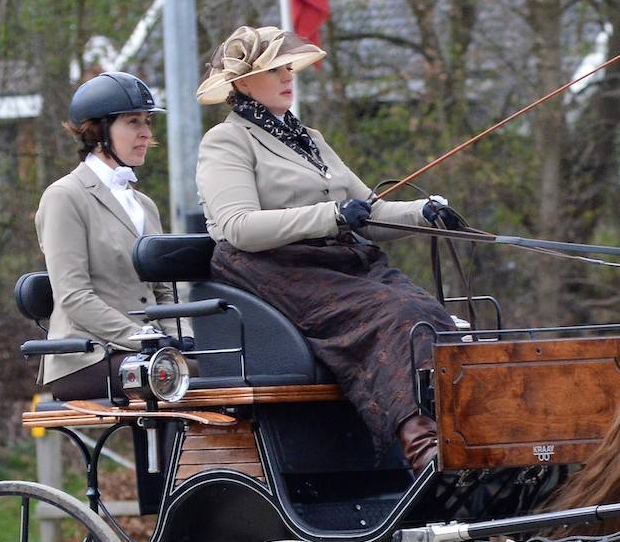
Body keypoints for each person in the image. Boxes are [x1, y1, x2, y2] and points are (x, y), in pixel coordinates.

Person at [194, 25, 465, 474]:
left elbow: (370, 212)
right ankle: (422, 446)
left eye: (289, 68)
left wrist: (425, 212)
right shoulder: (226, 141)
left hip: (339, 261)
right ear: (243, 83)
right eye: (275, 70)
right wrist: (333, 216)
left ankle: (464, 430)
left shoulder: (310, 138)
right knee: (396, 314)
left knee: (430, 313)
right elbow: (238, 227)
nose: (288, 76)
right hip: (274, 267)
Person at [34, 71, 173, 401]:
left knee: (216, 369)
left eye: (147, 122)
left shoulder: (144, 205)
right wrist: (144, 338)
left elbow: (165, 291)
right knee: (180, 376)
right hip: (86, 356)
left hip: (147, 351)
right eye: (133, 122)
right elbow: (74, 296)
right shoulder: (64, 197)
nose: (146, 133)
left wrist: (181, 336)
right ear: (98, 131)